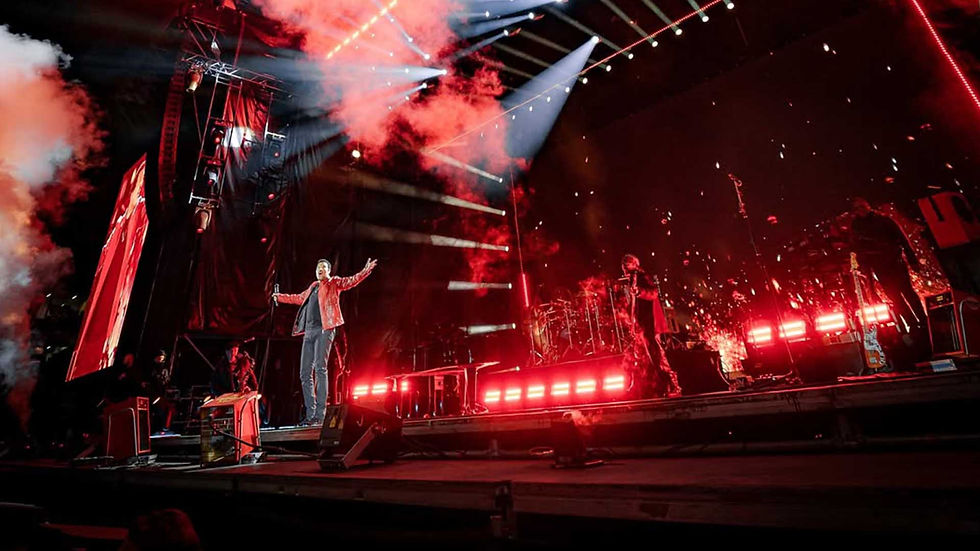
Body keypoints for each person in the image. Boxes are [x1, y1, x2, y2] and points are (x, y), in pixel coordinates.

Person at [274, 257, 378, 425]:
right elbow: (298, 298)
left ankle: (320, 415)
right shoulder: (313, 287)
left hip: (325, 328)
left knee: (320, 369)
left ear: (329, 270)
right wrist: (279, 297)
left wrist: (365, 271)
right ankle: (311, 414)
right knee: (304, 373)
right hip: (308, 332)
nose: (320, 269)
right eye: (318, 267)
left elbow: (351, 281)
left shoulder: (334, 283)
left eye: (323, 267)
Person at [849, 198, 930, 362]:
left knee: (907, 291)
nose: (859, 211)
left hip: (894, 261)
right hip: (880, 266)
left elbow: (902, 238)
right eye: (856, 209)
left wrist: (912, 259)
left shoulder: (883, 220)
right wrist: (864, 265)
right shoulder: (857, 226)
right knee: (894, 296)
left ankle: (923, 320)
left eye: (861, 207)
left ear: (867, 207)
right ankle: (911, 324)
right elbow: (857, 247)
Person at [620, 254, 681, 397]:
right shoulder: (632, 280)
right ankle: (650, 386)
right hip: (642, 324)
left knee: (656, 355)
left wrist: (640, 292)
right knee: (642, 356)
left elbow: (653, 293)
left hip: (649, 323)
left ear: (634, 264)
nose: (624, 266)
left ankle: (670, 384)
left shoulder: (642, 277)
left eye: (626, 263)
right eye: (623, 264)